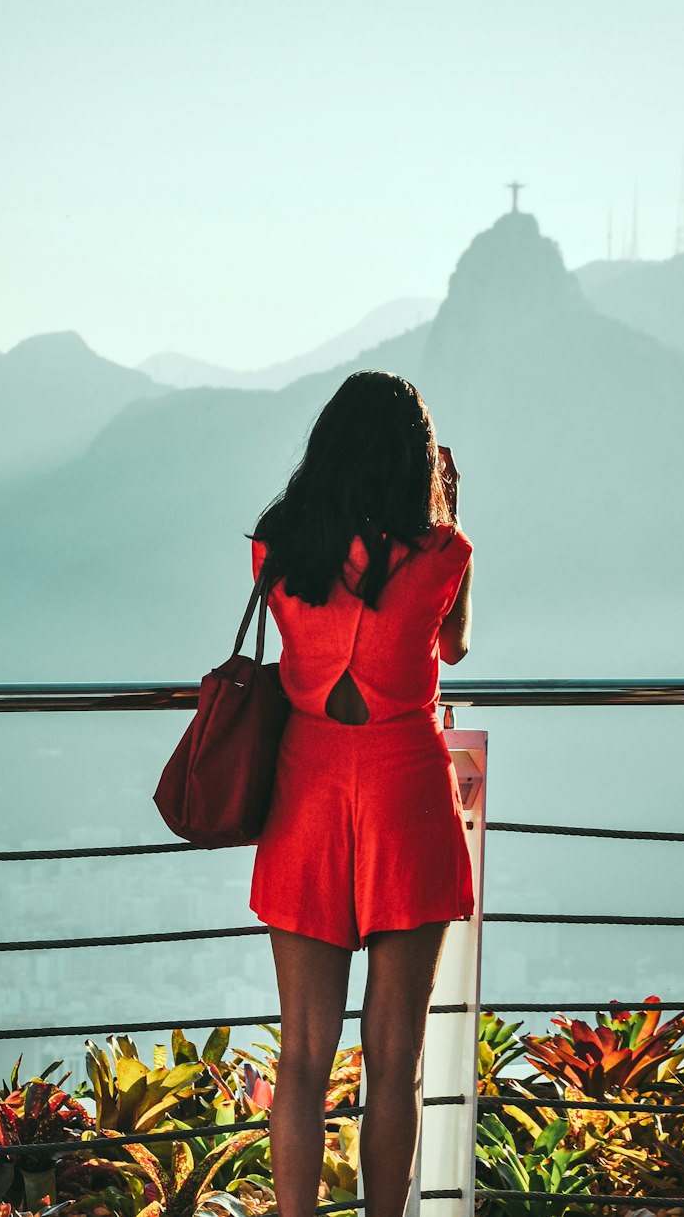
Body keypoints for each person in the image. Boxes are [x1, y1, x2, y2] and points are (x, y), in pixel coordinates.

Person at [249, 369, 474, 1217]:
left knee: (303, 1059)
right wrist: (447, 502)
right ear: (417, 460)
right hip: (406, 789)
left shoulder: (278, 542)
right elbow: (453, 644)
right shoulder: (444, 551)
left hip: (307, 785)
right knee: (396, 1056)